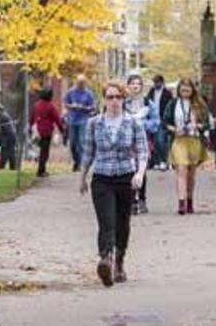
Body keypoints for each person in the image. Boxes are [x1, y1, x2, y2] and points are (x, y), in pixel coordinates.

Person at [79, 79, 148, 287]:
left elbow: (143, 151)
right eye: (110, 97)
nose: (114, 101)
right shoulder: (94, 123)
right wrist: (82, 177)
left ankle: (119, 260)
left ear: (123, 99)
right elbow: (88, 152)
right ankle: (105, 259)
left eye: (118, 97)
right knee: (106, 221)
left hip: (125, 177)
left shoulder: (133, 122)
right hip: (102, 178)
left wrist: (140, 173)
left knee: (122, 223)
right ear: (104, 99)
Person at [163, 78, 210, 215]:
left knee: (191, 173)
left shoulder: (199, 104)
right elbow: (165, 122)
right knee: (181, 169)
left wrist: (198, 126)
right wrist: (173, 129)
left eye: (188, 90)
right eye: (183, 90)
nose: (185, 92)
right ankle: (181, 202)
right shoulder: (173, 104)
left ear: (192, 91)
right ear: (179, 90)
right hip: (179, 140)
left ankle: (189, 200)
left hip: (194, 140)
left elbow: (207, 123)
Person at [123, 74, 154, 215]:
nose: (135, 86)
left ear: (141, 87)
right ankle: (131, 201)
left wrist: (143, 124)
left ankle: (142, 198)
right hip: (127, 140)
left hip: (143, 138)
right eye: (132, 83)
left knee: (141, 168)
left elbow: (156, 122)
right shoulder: (123, 103)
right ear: (128, 86)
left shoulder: (148, 103)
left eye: (138, 84)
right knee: (130, 169)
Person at [30, 87, 65, 177]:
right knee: (44, 152)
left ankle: (41, 169)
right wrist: (62, 129)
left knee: (40, 150)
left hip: (37, 130)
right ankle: (41, 170)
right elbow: (57, 118)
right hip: (46, 131)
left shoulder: (36, 105)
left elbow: (32, 117)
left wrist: (31, 126)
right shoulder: (50, 106)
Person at [64, 74, 96, 172]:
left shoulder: (88, 94)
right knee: (73, 143)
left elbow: (93, 107)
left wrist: (84, 108)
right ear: (76, 82)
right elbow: (66, 104)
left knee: (82, 142)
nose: (80, 85)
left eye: (82, 83)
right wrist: (72, 106)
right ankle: (76, 161)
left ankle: (82, 165)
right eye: (79, 83)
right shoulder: (70, 92)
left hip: (83, 120)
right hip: (72, 120)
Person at [147, 75, 173, 170]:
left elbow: (170, 107)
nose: (155, 84)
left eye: (157, 82)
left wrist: (168, 119)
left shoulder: (167, 93)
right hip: (153, 120)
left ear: (162, 82)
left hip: (163, 120)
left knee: (161, 140)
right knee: (154, 142)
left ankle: (164, 160)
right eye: (154, 82)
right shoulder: (151, 92)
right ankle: (157, 161)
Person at [0, 104, 17, 170]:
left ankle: (2, 166)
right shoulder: (2, 117)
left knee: (5, 152)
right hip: (10, 137)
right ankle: (13, 167)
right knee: (11, 153)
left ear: (1, 111)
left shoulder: (4, 117)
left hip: (8, 137)